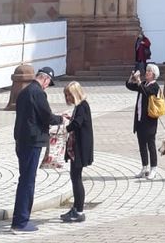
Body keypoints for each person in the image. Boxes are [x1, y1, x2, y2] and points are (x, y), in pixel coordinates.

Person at [12, 65, 63, 232]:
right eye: (48, 83)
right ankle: (21, 221)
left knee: (24, 179)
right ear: (45, 79)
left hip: (21, 140)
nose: (47, 86)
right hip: (32, 141)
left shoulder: (24, 92)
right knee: (28, 181)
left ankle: (20, 218)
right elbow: (47, 116)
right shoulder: (38, 93)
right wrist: (61, 119)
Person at [59, 81, 93, 224]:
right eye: (66, 95)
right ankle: (75, 207)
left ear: (75, 94)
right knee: (74, 177)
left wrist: (63, 130)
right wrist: (70, 119)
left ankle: (79, 211)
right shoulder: (79, 106)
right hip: (76, 148)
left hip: (80, 148)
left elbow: (77, 124)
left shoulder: (82, 106)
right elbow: (77, 121)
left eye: (69, 95)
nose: (67, 98)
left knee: (77, 178)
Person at [125, 62, 162, 180]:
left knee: (151, 145)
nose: (146, 73)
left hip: (150, 121)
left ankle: (153, 168)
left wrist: (139, 81)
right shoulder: (144, 84)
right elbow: (130, 86)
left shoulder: (154, 86)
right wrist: (132, 78)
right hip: (140, 119)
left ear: (154, 74)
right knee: (142, 145)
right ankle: (144, 167)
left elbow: (146, 92)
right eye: (146, 71)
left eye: (149, 71)